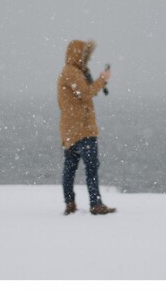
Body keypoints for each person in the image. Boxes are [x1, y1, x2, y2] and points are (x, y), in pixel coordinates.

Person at [57, 39, 116, 216]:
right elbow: (86, 93)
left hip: (70, 132)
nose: (85, 59)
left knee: (70, 168)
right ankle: (95, 204)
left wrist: (95, 81)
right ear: (77, 55)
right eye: (83, 55)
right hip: (83, 130)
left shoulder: (69, 72)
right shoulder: (72, 72)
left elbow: (83, 93)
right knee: (90, 168)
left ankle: (70, 203)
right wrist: (102, 80)